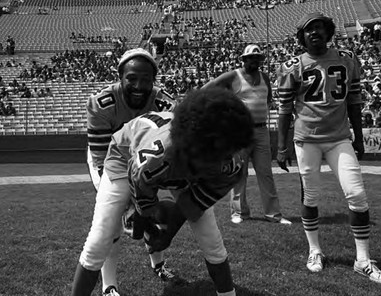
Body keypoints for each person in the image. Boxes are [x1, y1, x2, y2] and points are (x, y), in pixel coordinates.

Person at [71, 87, 255, 296]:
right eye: (209, 154)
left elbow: (191, 205)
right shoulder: (154, 160)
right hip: (124, 157)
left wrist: (169, 230)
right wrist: (144, 219)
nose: (216, 162)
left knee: (211, 238)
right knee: (100, 237)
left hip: (167, 162)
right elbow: (141, 183)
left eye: (222, 154)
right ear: (191, 143)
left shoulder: (230, 163)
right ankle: (106, 285)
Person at [276, 12, 381, 284]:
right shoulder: (292, 65)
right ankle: (314, 250)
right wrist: (281, 147)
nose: (314, 33)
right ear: (301, 36)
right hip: (307, 138)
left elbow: (354, 100)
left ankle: (363, 260)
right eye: (309, 30)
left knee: (357, 194)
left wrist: (359, 137)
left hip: (339, 137)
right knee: (311, 197)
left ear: (328, 33)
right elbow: (284, 110)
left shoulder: (347, 58)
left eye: (319, 28)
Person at [86, 48, 177, 295]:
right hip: (109, 159)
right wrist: (128, 204)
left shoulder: (165, 103)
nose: (139, 85)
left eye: (146, 79)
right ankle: (109, 285)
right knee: (112, 220)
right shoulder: (102, 103)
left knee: (148, 209)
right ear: (120, 76)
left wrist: (141, 201)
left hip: (148, 159)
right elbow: (103, 159)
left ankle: (158, 264)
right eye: (132, 78)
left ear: (154, 80)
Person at [202, 44, 291, 225]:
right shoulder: (234, 75)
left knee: (265, 173)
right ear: (244, 59)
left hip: (261, 130)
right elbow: (208, 87)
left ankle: (273, 214)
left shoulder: (265, 77)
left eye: (258, 58)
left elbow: (267, 100)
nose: (255, 61)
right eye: (251, 58)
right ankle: (239, 213)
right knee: (238, 173)